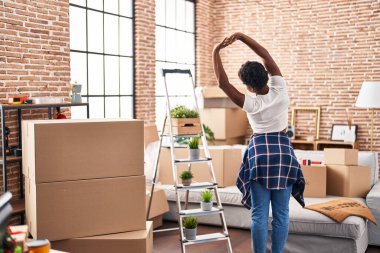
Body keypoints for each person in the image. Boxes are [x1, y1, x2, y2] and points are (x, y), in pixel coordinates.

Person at [212, 32, 305, 253]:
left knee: (259, 214)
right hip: (283, 154)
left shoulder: (250, 103)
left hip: (259, 155)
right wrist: (242, 37)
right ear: (266, 75)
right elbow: (266, 56)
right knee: (282, 214)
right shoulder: (280, 90)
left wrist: (216, 50)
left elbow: (223, 84)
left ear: (249, 87)